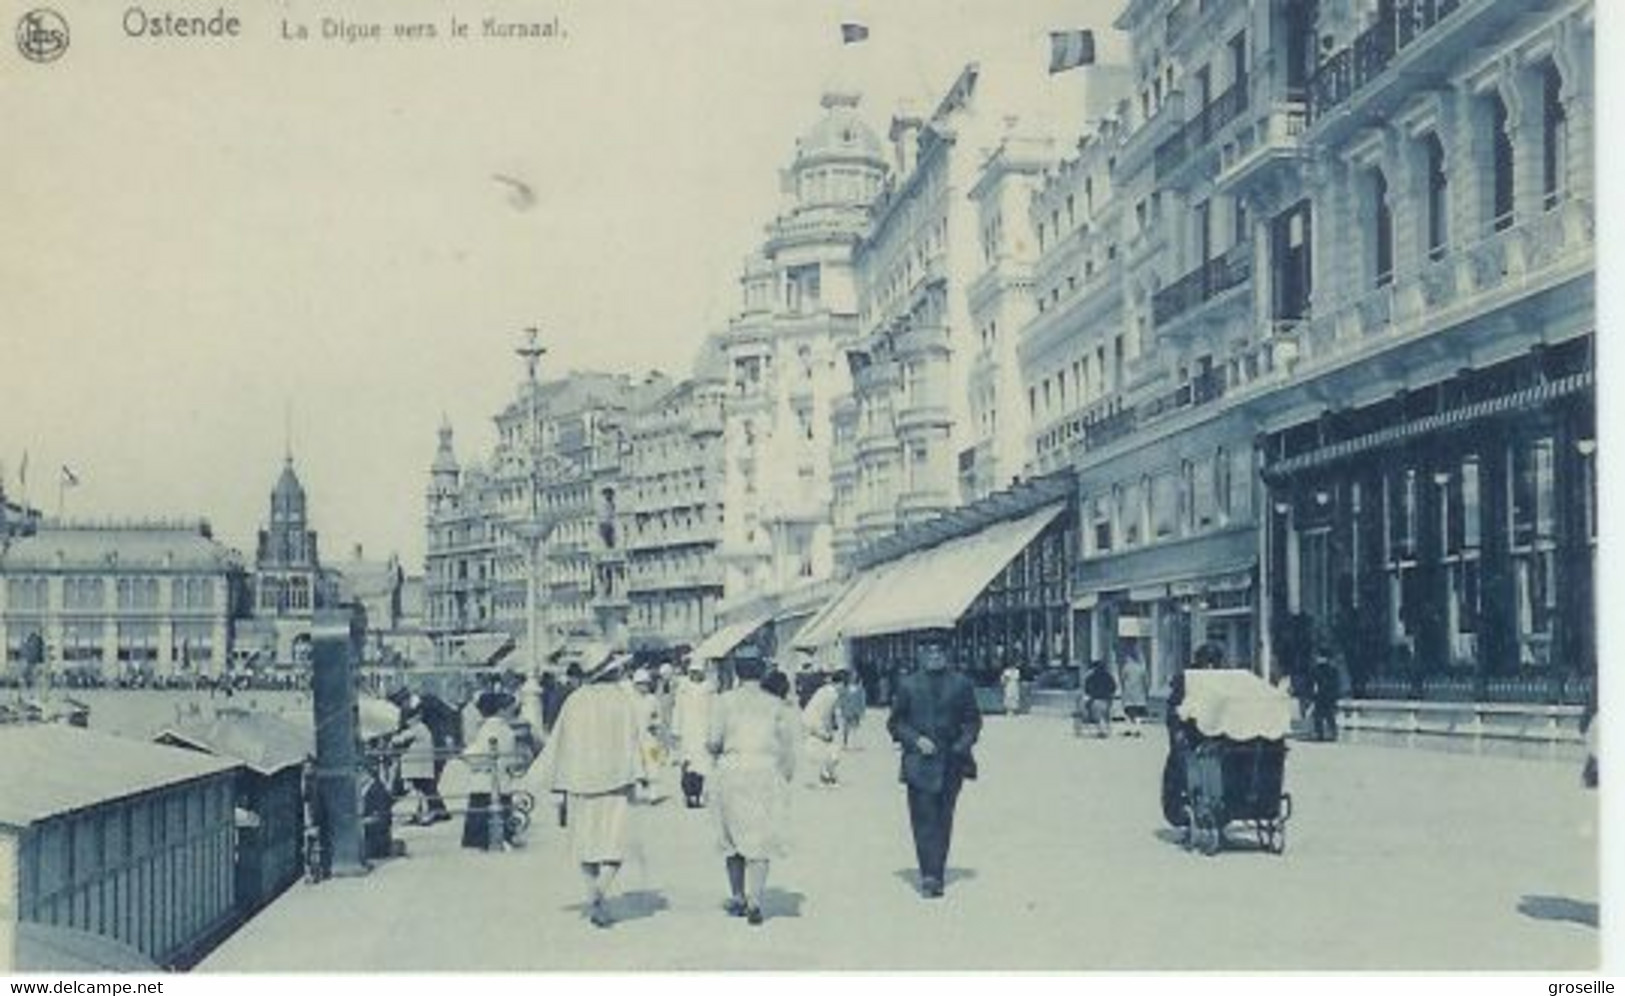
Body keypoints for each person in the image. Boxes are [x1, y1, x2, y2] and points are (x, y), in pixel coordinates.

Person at [535, 655, 649, 928]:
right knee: (614, 841)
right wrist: (641, 774)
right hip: (616, 782)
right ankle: (602, 887)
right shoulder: (622, 700)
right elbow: (635, 739)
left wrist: (556, 780)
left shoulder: (575, 701)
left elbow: (560, 742)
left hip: (580, 782)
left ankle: (592, 893)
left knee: (586, 843)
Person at [888, 632, 982, 899]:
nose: (934, 656)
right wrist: (916, 739)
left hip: (952, 762)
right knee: (923, 819)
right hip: (919, 763)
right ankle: (930, 876)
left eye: (939, 652)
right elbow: (895, 723)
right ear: (921, 655)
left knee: (944, 819)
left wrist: (963, 744)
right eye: (929, 652)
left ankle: (936, 869)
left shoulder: (961, 684)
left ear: (946, 655)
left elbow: (973, 720)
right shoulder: (908, 685)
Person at [707, 656, 798, 925]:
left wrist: (713, 751)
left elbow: (714, 740)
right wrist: (785, 775)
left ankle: (737, 895)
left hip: (732, 770)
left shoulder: (724, 701)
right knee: (759, 835)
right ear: (762, 672)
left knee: (731, 835)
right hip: (764, 772)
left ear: (737, 672)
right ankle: (756, 900)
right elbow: (786, 746)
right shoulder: (775, 704)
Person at [461, 691, 521, 850]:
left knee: (483, 807)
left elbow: (480, 751)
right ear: (501, 710)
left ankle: (482, 840)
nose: (512, 713)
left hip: (489, 776)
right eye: (510, 709)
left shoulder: (489, 727)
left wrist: (468, 754)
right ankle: (500, 838)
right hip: (497, 775)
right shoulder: (500, 728)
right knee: (499, 806)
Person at [672, 659, 717, 808]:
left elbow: (714, 712)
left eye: (698, 672)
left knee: (702, 767)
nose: (695, 675)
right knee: (687, 765)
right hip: (687, 731)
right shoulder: (683, 689)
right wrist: (676, 731)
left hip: (703, 731)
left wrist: (713, 732)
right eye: (693, 672)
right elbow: (677, 710)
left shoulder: (709, 689)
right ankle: (688, 795)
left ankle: (698, 795)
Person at [395, 708, 449, 825]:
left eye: (410, 718)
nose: (408, 721)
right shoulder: (421, 728)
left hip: (419, 766)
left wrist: (393, 737)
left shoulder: (419, 728)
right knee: (424, 790)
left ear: (416, 718)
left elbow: (400, 739)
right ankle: (426, 812)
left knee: (424, 791)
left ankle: (429, 813)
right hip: (419, 766)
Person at [802, 671, 843, 787]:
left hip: (808, 718)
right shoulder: (833, 694)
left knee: (825, 749)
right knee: (831, 749)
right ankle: (826, 776)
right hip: (816, 722)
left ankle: (827, 775)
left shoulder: (823, 690)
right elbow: (826, 712)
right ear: (840, 683)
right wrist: (826, 731)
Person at [1081, 659, 1117, 739]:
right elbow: (1113, 687)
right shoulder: (1108, 676)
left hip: (1095, 699)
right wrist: (1110, 695)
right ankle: (1105, 730)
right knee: (1104, 715)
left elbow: (1087, 689)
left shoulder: (1091, 677)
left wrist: (1090, 695)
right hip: (1106, 699)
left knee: (1099, 717)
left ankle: (1101, 731)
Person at [1118, 648, 1150, 737]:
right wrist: (1146, 692)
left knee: (1129, 712)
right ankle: (1137, 730)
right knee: (1139, 713)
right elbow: (1146, 682)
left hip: (1129, 693)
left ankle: (1129, 729)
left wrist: (1123, 690)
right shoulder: (1141, 668)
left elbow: (1122, 680)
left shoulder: (1126, 667)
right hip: (1139, 693)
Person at [1311, 653, 1341, 742]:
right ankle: (1331, 733)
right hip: (1327, 696)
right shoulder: (1332, 670)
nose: (1317, 659)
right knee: (1327, 715)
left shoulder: (1318, 670)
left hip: (1323, 695)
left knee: (1322, 715)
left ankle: (1321, 734)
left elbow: (1315, 684)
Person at [837, 670, 867, 749]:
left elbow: (862, 701)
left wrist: (862, 711)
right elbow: (841, 699)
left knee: (855, 728)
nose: (853, 678)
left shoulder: (860, 689)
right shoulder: (844, 688)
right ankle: (845, 743)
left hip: (855, 711)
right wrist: (840, 708)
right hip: (847, 711)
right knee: (846, 729)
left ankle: (855, 743)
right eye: (851, 677)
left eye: (854, 677)